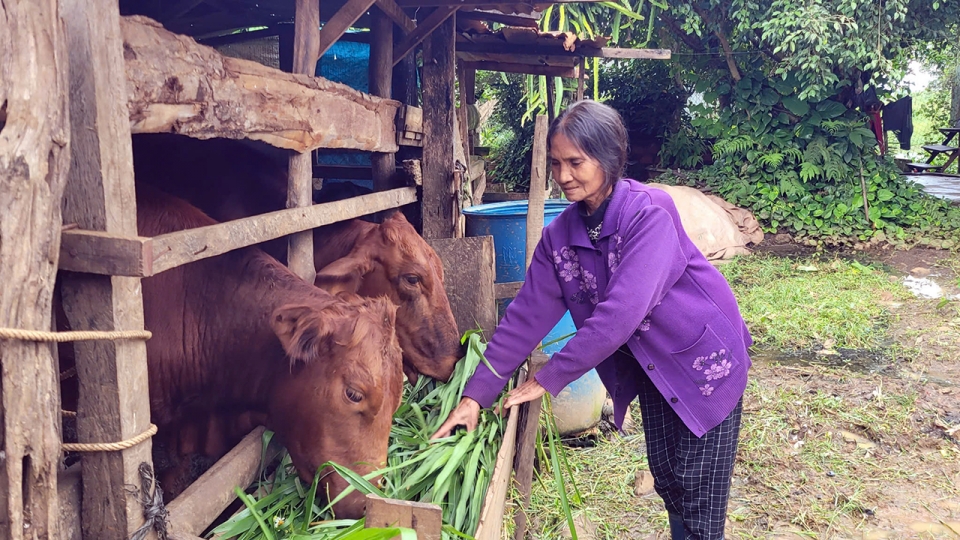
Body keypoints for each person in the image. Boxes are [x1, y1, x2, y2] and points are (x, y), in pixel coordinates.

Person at [431, 100, 752, 540]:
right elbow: (524, 317)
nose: (563, 176)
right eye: (557, 163)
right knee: (670, 479)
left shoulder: (648, 213)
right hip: (654, 369)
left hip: (703, 361)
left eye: (576, 162)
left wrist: (550, 378)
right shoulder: (560, 236)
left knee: (700, 492)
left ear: (608, 158)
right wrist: (475, 396)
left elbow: (620, 314)